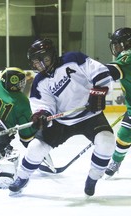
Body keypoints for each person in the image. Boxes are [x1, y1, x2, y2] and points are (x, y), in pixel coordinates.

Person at [8, 38, 116, 196]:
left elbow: (99, 72)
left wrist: (99, 90)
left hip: (90, 116)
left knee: (106, 141)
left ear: (52, 54)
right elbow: (43, 104)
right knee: (35, 148)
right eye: (37, 63)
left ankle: (93, 178)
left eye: (44, 59)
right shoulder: (40, 81)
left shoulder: (73, 59)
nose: (42, 65)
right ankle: (22, 177)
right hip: (61, 122)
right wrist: (42, 115)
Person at [104, 27, 131, 178]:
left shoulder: (128, 56)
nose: (115, 48)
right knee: (125, 134)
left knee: (125, 133)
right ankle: (116, 161)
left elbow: (111, 71)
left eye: (118, 44)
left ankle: (115, 162)